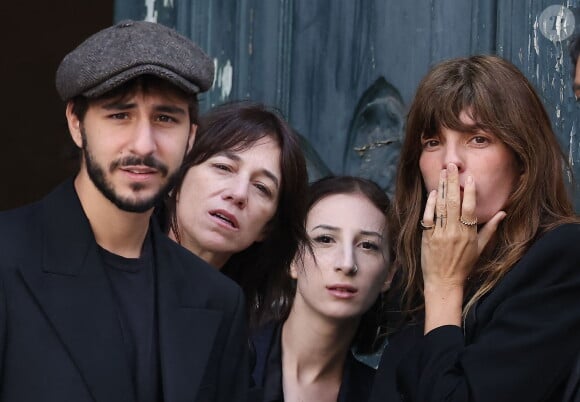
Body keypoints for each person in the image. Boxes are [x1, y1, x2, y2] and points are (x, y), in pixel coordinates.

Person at [0, 20, 249, 402]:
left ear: (191, 136)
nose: (144, 144)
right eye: (119, 115)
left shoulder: (217, 298)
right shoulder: (7, 257)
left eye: (165, 118)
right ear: (76, 124)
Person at [368, 55, 580, 402]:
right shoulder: (419, 270)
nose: (450, 161)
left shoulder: (561, 255)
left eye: (478, 139)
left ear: (523, 162)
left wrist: (445, 286)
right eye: (432, 142)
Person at [162, 100, 309, 327]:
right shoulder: (102, 273)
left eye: (262, 188)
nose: (239, 194)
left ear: (267, 228)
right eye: (224, 168)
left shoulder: (239, 331)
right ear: (176, 180)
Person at [251, 176, 394, 402]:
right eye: (325, 239)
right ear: (291, 258)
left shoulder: (381, 395)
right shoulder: (228, 357)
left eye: (367, 245)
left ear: (389, 274)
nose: (347, 263)